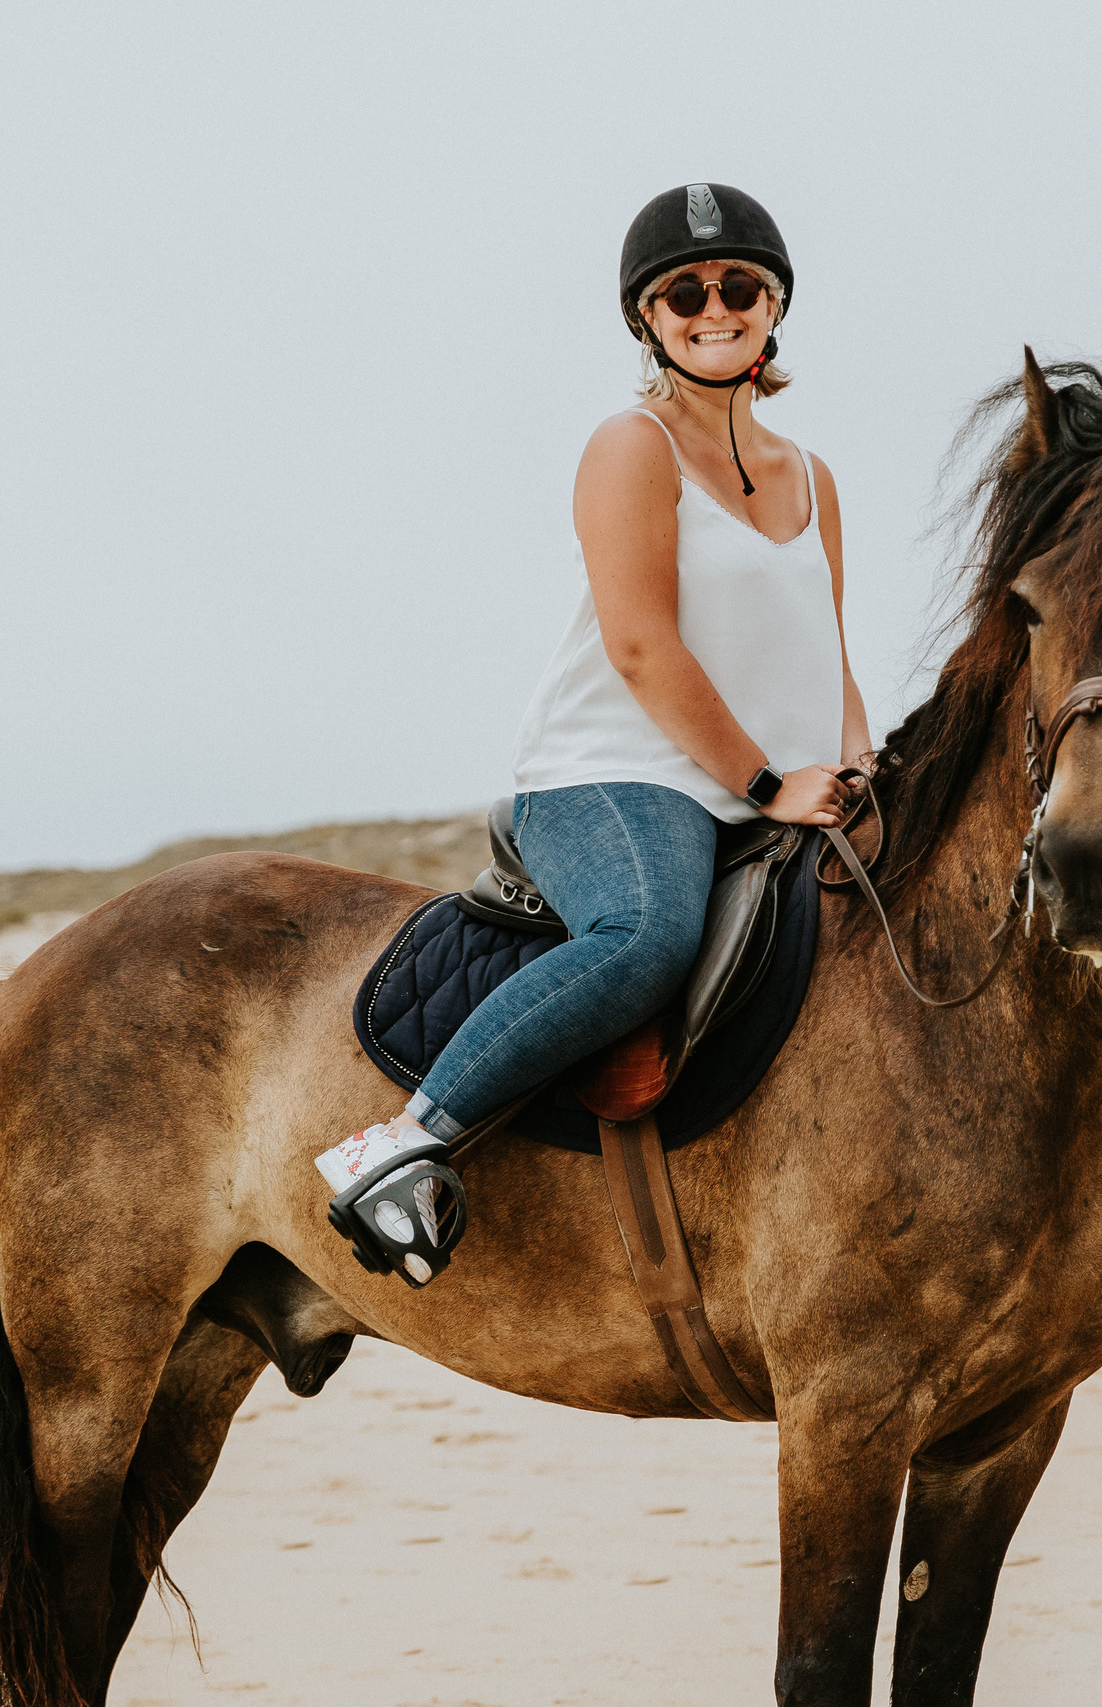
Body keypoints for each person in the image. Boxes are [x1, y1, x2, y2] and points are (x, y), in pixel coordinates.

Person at [316, 183, 873, 1286]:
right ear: (646, 319)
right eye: (683, 293)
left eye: (739, 286)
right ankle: (405, 1141)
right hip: (622, 777)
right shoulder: (632, 447)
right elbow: (640, 647)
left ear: (774, 305)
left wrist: (859, 766)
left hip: (780, 786)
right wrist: (769, 783)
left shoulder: (813, 476)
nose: (714, 309)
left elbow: (834, 655)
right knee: (645, 935)